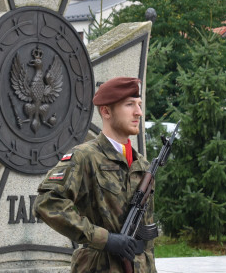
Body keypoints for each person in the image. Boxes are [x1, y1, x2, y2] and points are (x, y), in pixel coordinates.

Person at [34, 77, 156, 273]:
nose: (138, 112)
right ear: (106, 111)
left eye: (139, 105)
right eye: (129, 105)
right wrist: (103, 239)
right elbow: (47, 202)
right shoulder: (84, 157)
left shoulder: (141, 165)